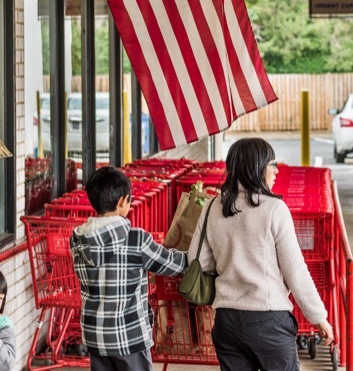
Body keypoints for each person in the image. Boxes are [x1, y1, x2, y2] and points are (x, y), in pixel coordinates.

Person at [189, 137, 334, 371]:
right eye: (272, 164)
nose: (276, 170)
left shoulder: (213, 206)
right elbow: (295, 270)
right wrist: (318, 317)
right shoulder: (274, 209)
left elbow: (199, 261)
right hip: (268, 322)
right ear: (256, 166)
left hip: (226, 322)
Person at [70, 166, 188, 371]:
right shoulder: (136, 239)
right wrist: (192, 258)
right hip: (129, 335)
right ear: (121, 202)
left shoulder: (78, 240)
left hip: (95, 336)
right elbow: (171, 264)